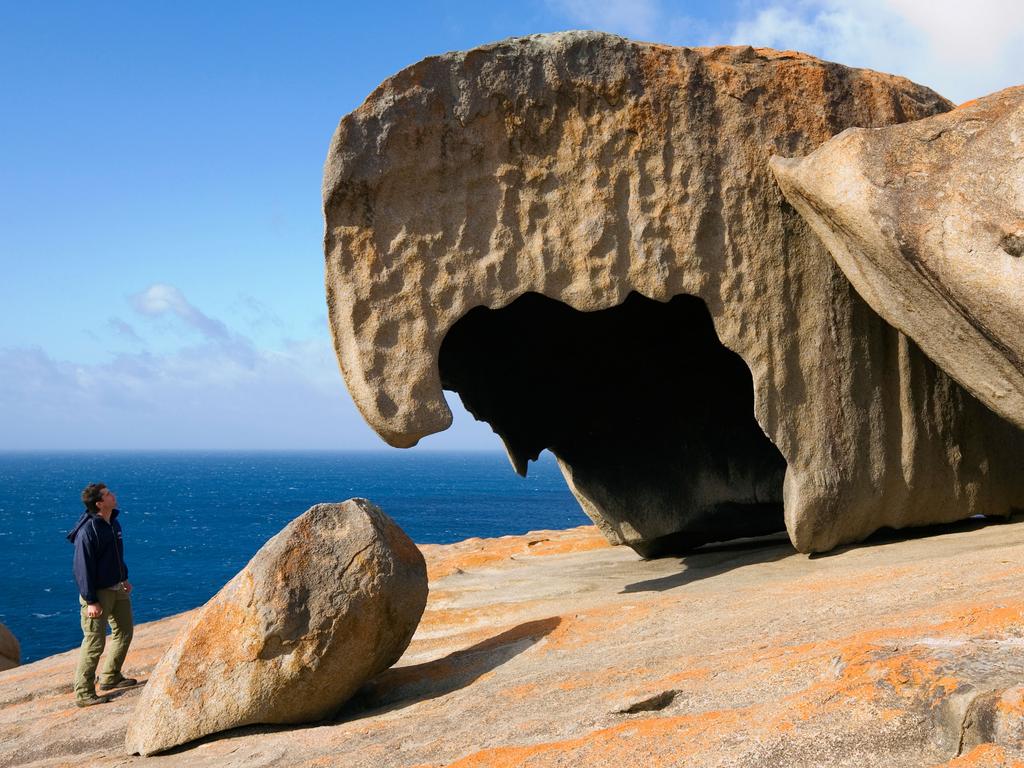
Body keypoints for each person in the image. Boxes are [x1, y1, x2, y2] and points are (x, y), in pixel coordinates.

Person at [66, 483, 137, 707]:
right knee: (94, 643)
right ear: (99, 503)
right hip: (98, 594)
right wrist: (91, 600)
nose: (113, 495)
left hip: (117, 587)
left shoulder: (112, 522)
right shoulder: (89, 530)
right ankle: (84, 693)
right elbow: (82, 568)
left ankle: (110, 676)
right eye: (108, 494)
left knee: (124, 631)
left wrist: (123, 577)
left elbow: (116, 555)